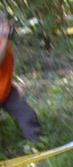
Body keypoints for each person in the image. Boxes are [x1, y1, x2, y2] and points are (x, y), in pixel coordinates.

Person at [0, 14, 42, 142]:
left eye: (6, 23)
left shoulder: (4, 42)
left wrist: (13, 84)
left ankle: (38, 144)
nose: (7, 27)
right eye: (3, 24)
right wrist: (5, 38)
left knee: (27, 115)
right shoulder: (4, 41)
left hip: (6, 92)